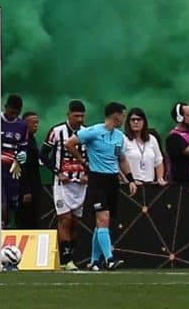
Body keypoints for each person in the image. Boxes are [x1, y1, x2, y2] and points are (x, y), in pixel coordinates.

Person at [76, 102, 128, 271]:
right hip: (97, 179)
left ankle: (94, 261)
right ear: (116, 115)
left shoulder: (119, 136)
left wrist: (130, 178)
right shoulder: (93, 131)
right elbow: (70, 143)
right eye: (123, 115)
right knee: (103, 219)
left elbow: (121, 159)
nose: (124, 118)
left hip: (112, 180)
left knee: (102, 223)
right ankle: (110, 259)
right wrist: (83, 161)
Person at [44, 100, 89, 270]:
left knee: (75, 222)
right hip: (62, 184)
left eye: (82, 116)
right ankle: (66, 260)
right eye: (76, 115)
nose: (79, 119)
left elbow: (92, 155)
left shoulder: (87, 133)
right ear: (68, 114)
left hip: (80, 184)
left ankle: (71, 257)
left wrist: (87, 173)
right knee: (65, 219)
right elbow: (44, 155)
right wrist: (58, 172)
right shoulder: (57, 131)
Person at [0, 94, 29, 228]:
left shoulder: (22, 125)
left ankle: (7, 229)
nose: (13, 115)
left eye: (17, 113)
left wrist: (23, 154)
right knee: (1, 205)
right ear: (5, 108)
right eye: (11, 112)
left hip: (13, 170)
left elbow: (23, 146)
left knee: (12, 204)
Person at [122, 107, 165, 188]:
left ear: (144, 122)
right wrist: (127, 181)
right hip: (131, 184)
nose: (136, 122)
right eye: (133, 120)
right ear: (128, 122)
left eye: (139, 119)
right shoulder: (124, 139)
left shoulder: (152, 139)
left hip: (149, 184)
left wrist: (160, 178)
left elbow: (159, 161)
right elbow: (119, 162)